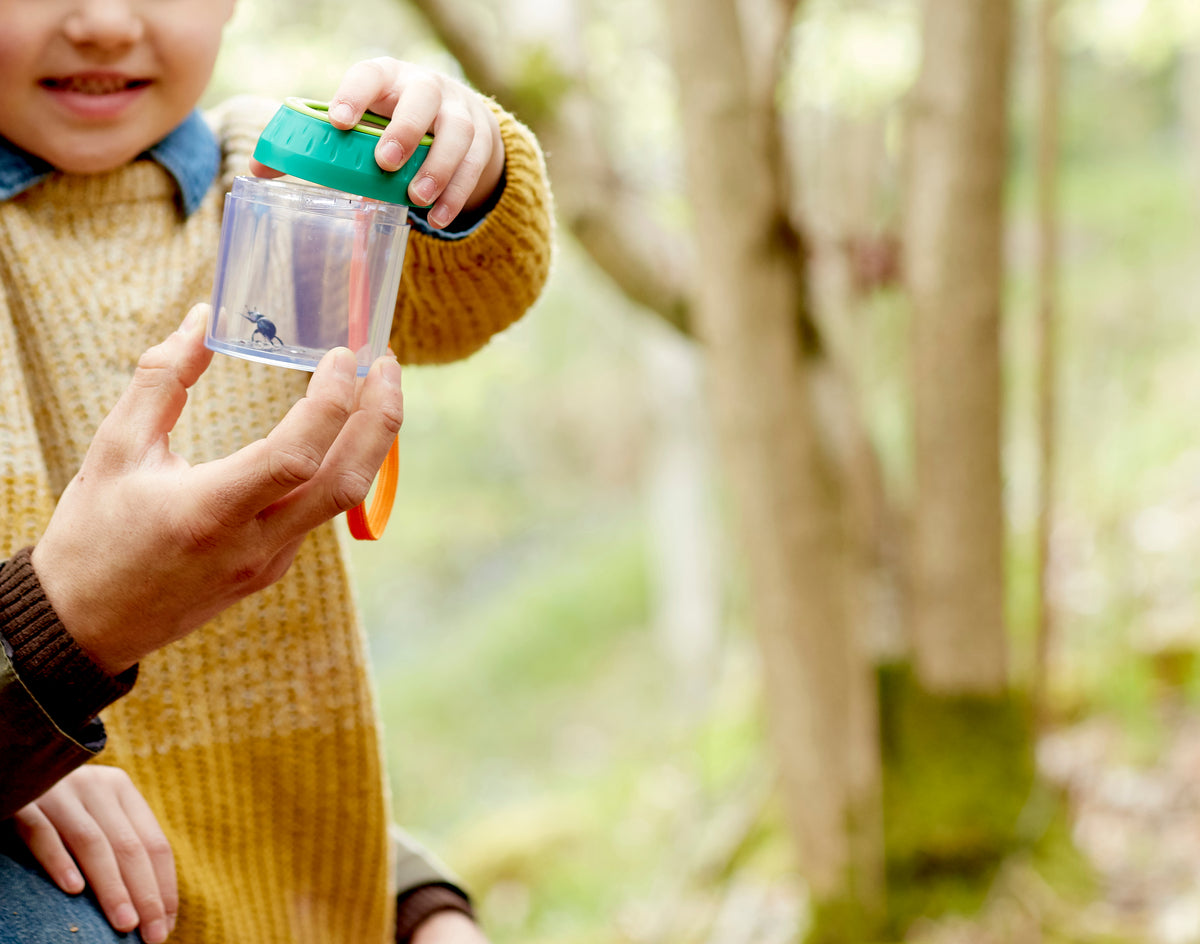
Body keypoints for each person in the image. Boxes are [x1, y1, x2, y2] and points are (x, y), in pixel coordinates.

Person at [0, 1, 554, 943]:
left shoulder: (268, 166)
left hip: (305, 876)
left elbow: (467, 300)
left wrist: (469, 164)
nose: (99, 22)